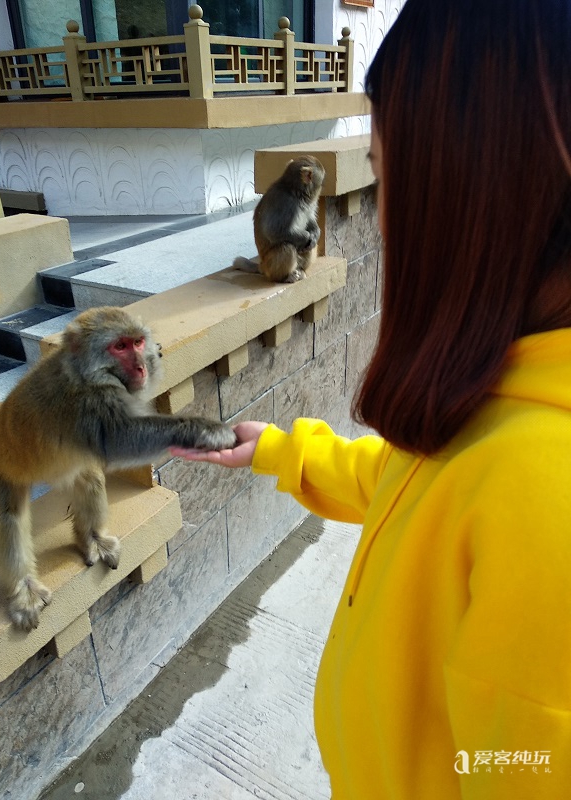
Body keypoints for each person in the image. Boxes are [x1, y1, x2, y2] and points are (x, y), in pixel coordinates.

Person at [171, 1, 571, 797]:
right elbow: (414, 488)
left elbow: (521, 769)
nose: (383, 220)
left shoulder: (545, 502)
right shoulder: (510, 384)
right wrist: (284, 452)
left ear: (476, 189)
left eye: (389, 176)